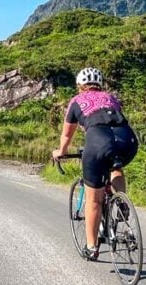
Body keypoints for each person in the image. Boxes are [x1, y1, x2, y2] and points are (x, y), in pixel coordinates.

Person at [53, 66, 139, 260]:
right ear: (100, 84)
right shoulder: (111, 97)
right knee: (116, 165)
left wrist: (61, 152)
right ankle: (121, 202)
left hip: (99, 141)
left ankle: (92, 248)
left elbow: (67, 134)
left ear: (80, 86)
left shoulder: (76, 101)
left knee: (94, 200)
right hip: (127, 141)